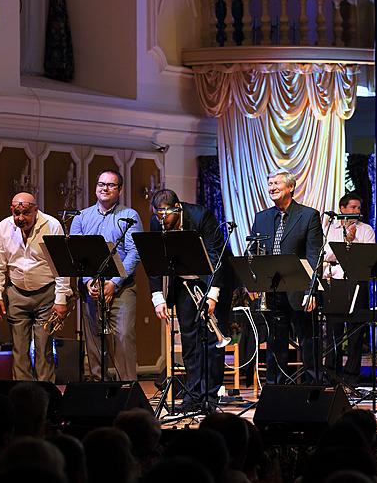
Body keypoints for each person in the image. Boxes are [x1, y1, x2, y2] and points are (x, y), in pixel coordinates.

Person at [147, 189, 232, 410]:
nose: (162, 221)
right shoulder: (157, 222)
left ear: (178, 208)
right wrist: (157, 297)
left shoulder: (201, 216)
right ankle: (192, 396)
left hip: (212, 281)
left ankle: (210, 397)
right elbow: (154, 259)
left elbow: (216, 255)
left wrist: (212, 294)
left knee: (212, 342)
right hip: (184, 284)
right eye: (158, 215)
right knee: (190, 341)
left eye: (166, 215)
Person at [0, 192, 72, 382]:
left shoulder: (51, 225)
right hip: (16, 293)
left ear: (36, 209)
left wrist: (61, 300)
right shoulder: (4, 227)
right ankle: (22, 397)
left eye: (25, 213)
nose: (20, 218)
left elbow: (61, 266)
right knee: (19, 350)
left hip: (46, 294)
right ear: (12, 210)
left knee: (43, 349)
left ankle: (45, 396)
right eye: (16, 213)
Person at [249, 169, 323, 384]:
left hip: (300, 291)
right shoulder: (261, 217)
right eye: (270, 183)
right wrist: (253, 279)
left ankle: (313, 388)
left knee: (308, 341)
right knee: (275, 343)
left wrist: (311, 291)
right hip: (272, 291)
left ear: (290, 187)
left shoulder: (308, 215)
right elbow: (253, 252)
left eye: (276, 183)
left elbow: (314, 256)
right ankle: (275, 389)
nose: (272, 187)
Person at [70, 170, 142, 381]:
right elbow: (76, 253)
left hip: (122, 287)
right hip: (91, 287)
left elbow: (133, 253)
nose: (105, 188)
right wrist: (88, 281)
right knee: (93, 342)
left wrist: (113, 283)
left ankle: (127, 390)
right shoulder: (81, 217)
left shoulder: (130, 216)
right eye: (101, 184)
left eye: (111, 185)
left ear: (119, 190)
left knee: (122, 337)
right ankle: (97, 389)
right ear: (95, 188)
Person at [322, 192, 375, 385]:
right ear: (342, 209)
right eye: (352, 207)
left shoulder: (366, 230)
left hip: (357, 282)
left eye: (358, 208)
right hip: (334, 281)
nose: (356, 211)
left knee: (356, 331)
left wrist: (351, 243)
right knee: (333, 330)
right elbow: (325, 254)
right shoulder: (329, 228)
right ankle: (331, 374)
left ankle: (352, 376)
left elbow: (367, 257)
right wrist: (344, 245)